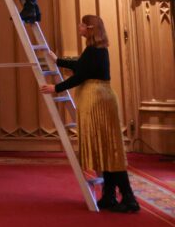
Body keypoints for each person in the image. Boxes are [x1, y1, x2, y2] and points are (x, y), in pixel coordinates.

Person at [41, 15, 139, 213]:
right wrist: (58, 60)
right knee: (105, 148)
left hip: (98, 101)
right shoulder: (94, 50)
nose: (79, 27)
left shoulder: (95, 50)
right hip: (97, 99)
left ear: (90, 28)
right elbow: (81, 67)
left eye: (82, 24)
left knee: (110, 149)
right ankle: (109, 195)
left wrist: (56, 87)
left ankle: (129, 199)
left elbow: (81, 75)